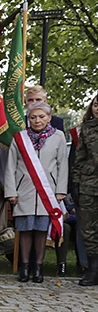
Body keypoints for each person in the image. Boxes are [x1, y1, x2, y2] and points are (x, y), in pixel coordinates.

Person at [4, 102, 68, 283]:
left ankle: (38, 267)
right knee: (25, 229)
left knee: (41, 229)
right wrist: (11, 191)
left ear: (49, 117)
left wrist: (61, 190)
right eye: (33, 117)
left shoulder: (58, 137)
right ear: (28, 119)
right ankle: (24, 267)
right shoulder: (19, 138)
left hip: (48, 193)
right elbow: (10, 167)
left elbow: (62, 165)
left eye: (41, 117)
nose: (37, 120)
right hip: (24, 191)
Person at [73, 93, 98, 286]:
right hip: (90, 185)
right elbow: (80, 158)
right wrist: (76, 183)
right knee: (88, 229)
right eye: (96, 105)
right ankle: (93, 268)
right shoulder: (87, 130)